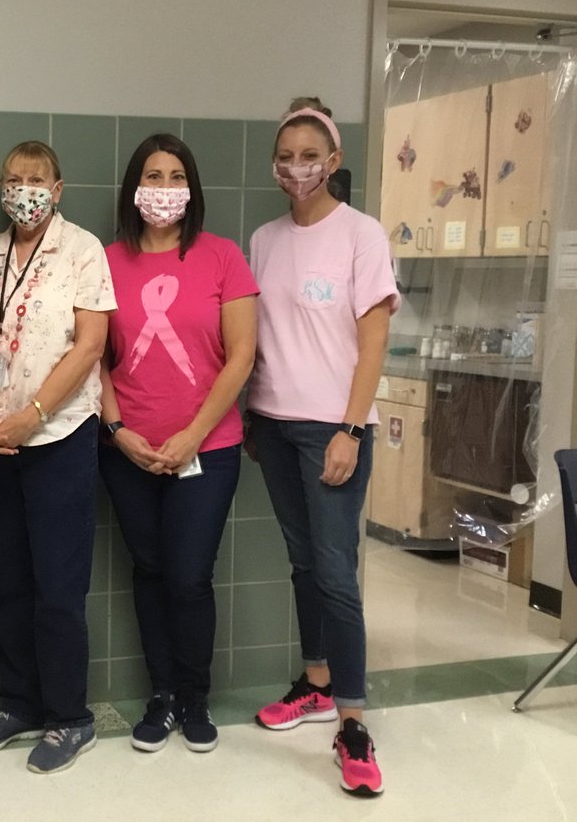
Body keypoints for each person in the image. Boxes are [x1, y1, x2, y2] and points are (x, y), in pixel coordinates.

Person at [246, 98, 399, 798]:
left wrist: (350, 427)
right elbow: (260, 340)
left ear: (333, 161)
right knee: (303, 563)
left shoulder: (361, 235)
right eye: (287, 157)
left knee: (337, 572)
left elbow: (373, 343)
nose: (297, 168)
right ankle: (314, 681)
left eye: (311, 156)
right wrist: (252, 418)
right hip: (274, 424)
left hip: (333, 428)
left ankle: (354, 723)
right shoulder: (264, 240)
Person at [0, 140, 115, 774]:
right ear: (1, 186)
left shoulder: (82, 250)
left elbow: (90, 345)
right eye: (14, 179)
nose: (25, 188)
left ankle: (70, 717)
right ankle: (18, 704)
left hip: (57, 438)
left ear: (58, 187)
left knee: (58, 584)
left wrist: (31, 418)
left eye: (37, 179)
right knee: (8, 580)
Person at [98, 134, 257, 754]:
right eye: (151, 175)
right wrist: (118, 432)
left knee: (189, 577)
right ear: (133, 188)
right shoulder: (106, 261)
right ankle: (161, 695)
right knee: (149, 569)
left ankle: (195, 696)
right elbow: (93, 359)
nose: (162, 188)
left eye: (173, 176)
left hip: (208, 450)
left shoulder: (222, 258)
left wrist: (192, 436)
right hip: (128, 449)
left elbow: (241, 355)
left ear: (190, 189)